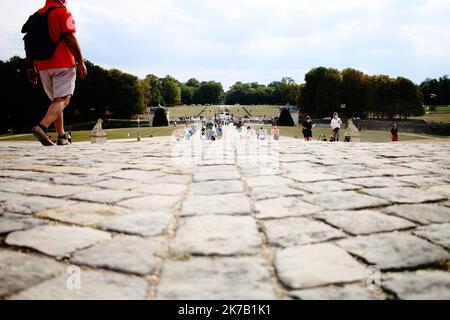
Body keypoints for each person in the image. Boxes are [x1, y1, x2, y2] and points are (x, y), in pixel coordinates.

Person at [26, 0, 87, 146]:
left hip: (42, 66)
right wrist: (80, 61)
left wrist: (30, 67)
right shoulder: (63, 12)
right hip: (63, 63)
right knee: (63, 100)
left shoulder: (37, 15)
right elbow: (70, 37)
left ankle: (61, 136)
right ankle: (42, 127)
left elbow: (28, 42)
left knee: (56, 101)